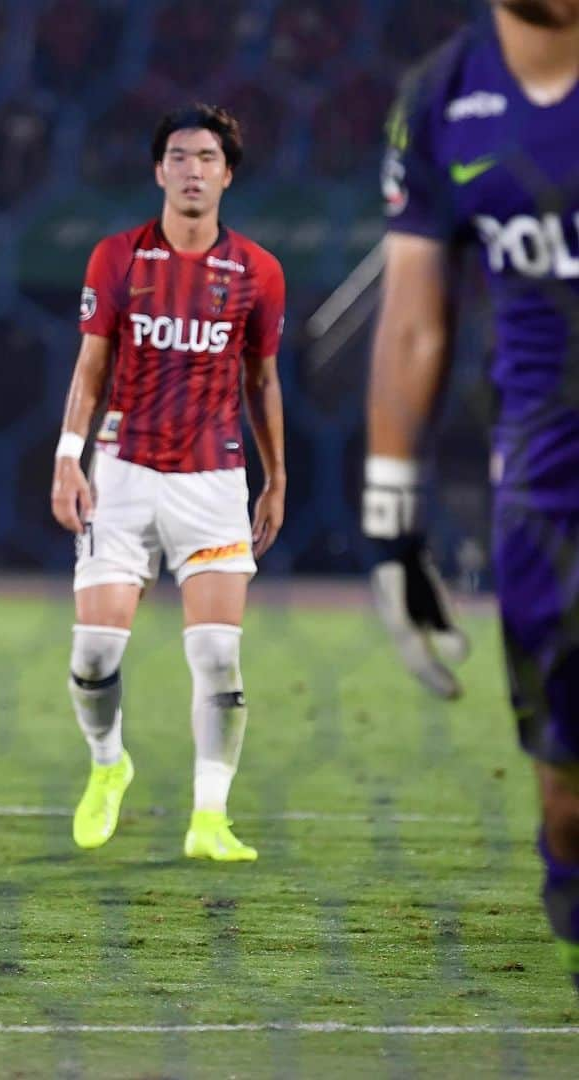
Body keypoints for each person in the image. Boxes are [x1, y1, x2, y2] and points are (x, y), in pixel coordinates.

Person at [363, 0, 579, 989]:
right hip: (547, 491)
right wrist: (393, 528)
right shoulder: (443, 97)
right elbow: (414, 325)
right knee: (566, 798)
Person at [50, 104, 286, 861]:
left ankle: (209, 816)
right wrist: (66, 457)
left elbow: (263, 382)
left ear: (227, 173)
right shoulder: (116, 259)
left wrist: (275, 478)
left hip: (214, 480)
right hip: (121, 474)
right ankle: (109, 764)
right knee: (93, 654)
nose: (192, 169)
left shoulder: (257, 272)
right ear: (159, 170)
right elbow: (91, 370)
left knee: (218, 654)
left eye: (207, 158)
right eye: (179, 156)